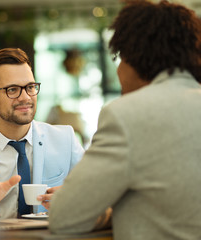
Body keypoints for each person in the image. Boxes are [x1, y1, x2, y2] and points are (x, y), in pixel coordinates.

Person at [47, 1, 201, 239]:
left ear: (134, 57)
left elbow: (64, 217)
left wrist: (109, 210)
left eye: (119, 58)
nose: (118, 71)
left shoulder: (126, 115)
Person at [0, 48, 84, 219]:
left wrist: (73, 202)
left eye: (30, 87)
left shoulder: (65, 139)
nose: (25, 97)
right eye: (12, 90)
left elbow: (96, 196)